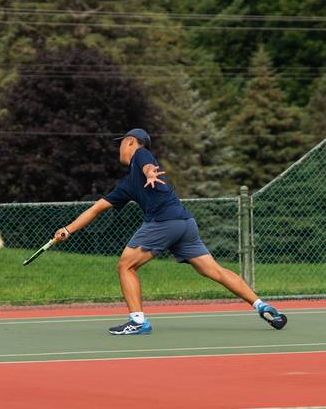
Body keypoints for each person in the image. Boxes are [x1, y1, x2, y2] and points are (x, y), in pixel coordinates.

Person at [54, 128, 287, 335]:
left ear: (130, 142)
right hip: (184, 223)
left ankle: (137, 322)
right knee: (214, 270)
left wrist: (150, 173)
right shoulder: (126, 185)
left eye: (121, 143)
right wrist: (67, 229)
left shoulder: (140, 155)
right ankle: (261, 305)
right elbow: (96, 209)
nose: (119, 149)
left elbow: (147, 164)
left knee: (126, 265)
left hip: (163, 222)